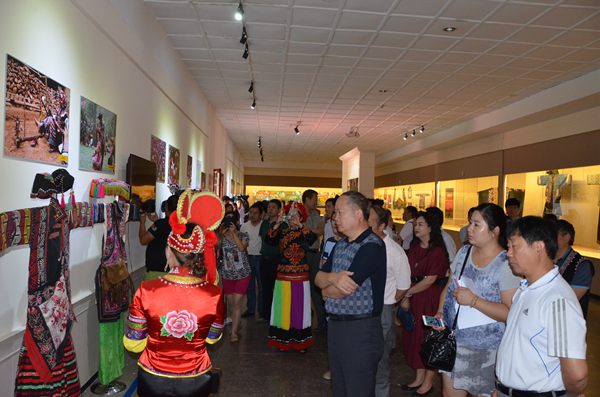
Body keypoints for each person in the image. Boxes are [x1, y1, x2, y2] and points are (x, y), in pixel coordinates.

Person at [123, 191, 225, 397]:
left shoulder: (147, 290)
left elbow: (133, 343)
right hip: (196, 377)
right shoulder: (214, 293)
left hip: (153, 376)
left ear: (169, 251)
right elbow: (213, 337)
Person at [495, 216, 588, 397]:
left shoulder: (557, 301)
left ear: (538, 247)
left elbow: (577, 376)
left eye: (514, 246)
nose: (509, 253)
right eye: (508, 247)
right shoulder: (526, 289)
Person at [436, 203, 521, 397]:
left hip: (487, 352)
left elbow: (511, 312)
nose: (469, 229)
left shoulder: (506, 264)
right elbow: (449, 287)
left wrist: (474, 300)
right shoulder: (464, 253)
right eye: (470, 223)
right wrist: (441, 313)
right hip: (454, 343)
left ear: (495, 231)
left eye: (476, 224)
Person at [315, 191, 387, 397]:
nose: (334, 218)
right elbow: (318, 277)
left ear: (357, 214)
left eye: (339, 212)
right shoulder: (341, 244)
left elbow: (339, 292)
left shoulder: (371, 246)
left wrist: (328, 287)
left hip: (360, 330)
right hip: (337, 327)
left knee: (358, 389)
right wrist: (334, 277)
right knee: (340, 388)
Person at [400, 210, 449, 397]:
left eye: (420, 224)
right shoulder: (413, 246)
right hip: (415, 296)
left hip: (431, 299)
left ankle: (428, 382)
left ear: (430, 227)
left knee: (430, 339)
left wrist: (407, 294)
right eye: (415, 224)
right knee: (414, 337)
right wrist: (407, 295)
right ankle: (419, 378)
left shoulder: (437, 251)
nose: (416, 228)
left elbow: (429, 280)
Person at [369, 205, 411, 397]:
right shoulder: (362, 245)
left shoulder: (394, 251)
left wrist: (389, 302)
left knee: (380, 359)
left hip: (383, 309)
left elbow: (403, 285)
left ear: (382, 225)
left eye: (369, 219)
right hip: (362, 308)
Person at [266, 202, 318, 351]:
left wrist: (300, 226)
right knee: (283, 308)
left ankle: (301, 342)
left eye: (296, 214)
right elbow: (269, 240)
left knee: (299, 309)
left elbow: (312, 240)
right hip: (283, 274)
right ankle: (283, 341)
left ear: (301, 217)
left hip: (301, 276)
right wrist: (277, 223)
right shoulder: (282, 231)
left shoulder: (305, 231)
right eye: (290, 214)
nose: (292, 217)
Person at [218, 212, 250, 342]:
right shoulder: (221, 238)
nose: (230, 225)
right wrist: (221, 232)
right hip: (227, 274)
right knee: (232, 304)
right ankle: (237, 322)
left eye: (232, 222)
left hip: (242, 274)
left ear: (236, 223)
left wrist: (234, 234)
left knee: (237, 303)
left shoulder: (243, 235)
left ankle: (233, 332)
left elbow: (242, 248)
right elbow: (213, 246)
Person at [555, 219, 595, 319]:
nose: (547, 239)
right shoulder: (546, 258)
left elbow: (569, 301)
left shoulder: (582, 265)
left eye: (553, 235)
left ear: (566, 237)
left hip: (567, 322)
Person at [138, 195, 178, 281]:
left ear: (166, 208)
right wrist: (156, 222)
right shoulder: (184, 225)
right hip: (175, 272)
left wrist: (142, 222)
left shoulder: (161, 224)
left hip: (157, 272)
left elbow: (143, 240)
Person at [302, 189, 327, 331]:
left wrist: (306, 229)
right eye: (314, 199)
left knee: (315, 287)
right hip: (301, 253)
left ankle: (321, 321)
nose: (316, 202)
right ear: (306, 199)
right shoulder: (298, 214)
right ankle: (304, 319)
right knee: (302, 287)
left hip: (314, 253)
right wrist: (311, 230)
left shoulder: (316, 215)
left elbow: (321, 230)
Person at [241, 203, 265, 319]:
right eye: (251, 213)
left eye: (255, 213)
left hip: (260, 258)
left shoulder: (264, 225)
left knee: (261, 286)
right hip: (248, 257)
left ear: (261, 214)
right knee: (249, 285)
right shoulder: (244, 226)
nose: (252, 215)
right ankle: (250, 309)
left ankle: (260, 311)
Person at [260, 199, 283, 322]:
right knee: (265, 287)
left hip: (276, 259)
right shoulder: (264, 223)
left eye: (274, 207)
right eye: (269, 207)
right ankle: (266, 314)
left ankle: (277, 314)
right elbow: (264, 238)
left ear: (279, 210)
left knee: (277, 288)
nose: (270, 209)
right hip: (264, 258)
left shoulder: (282, 224)